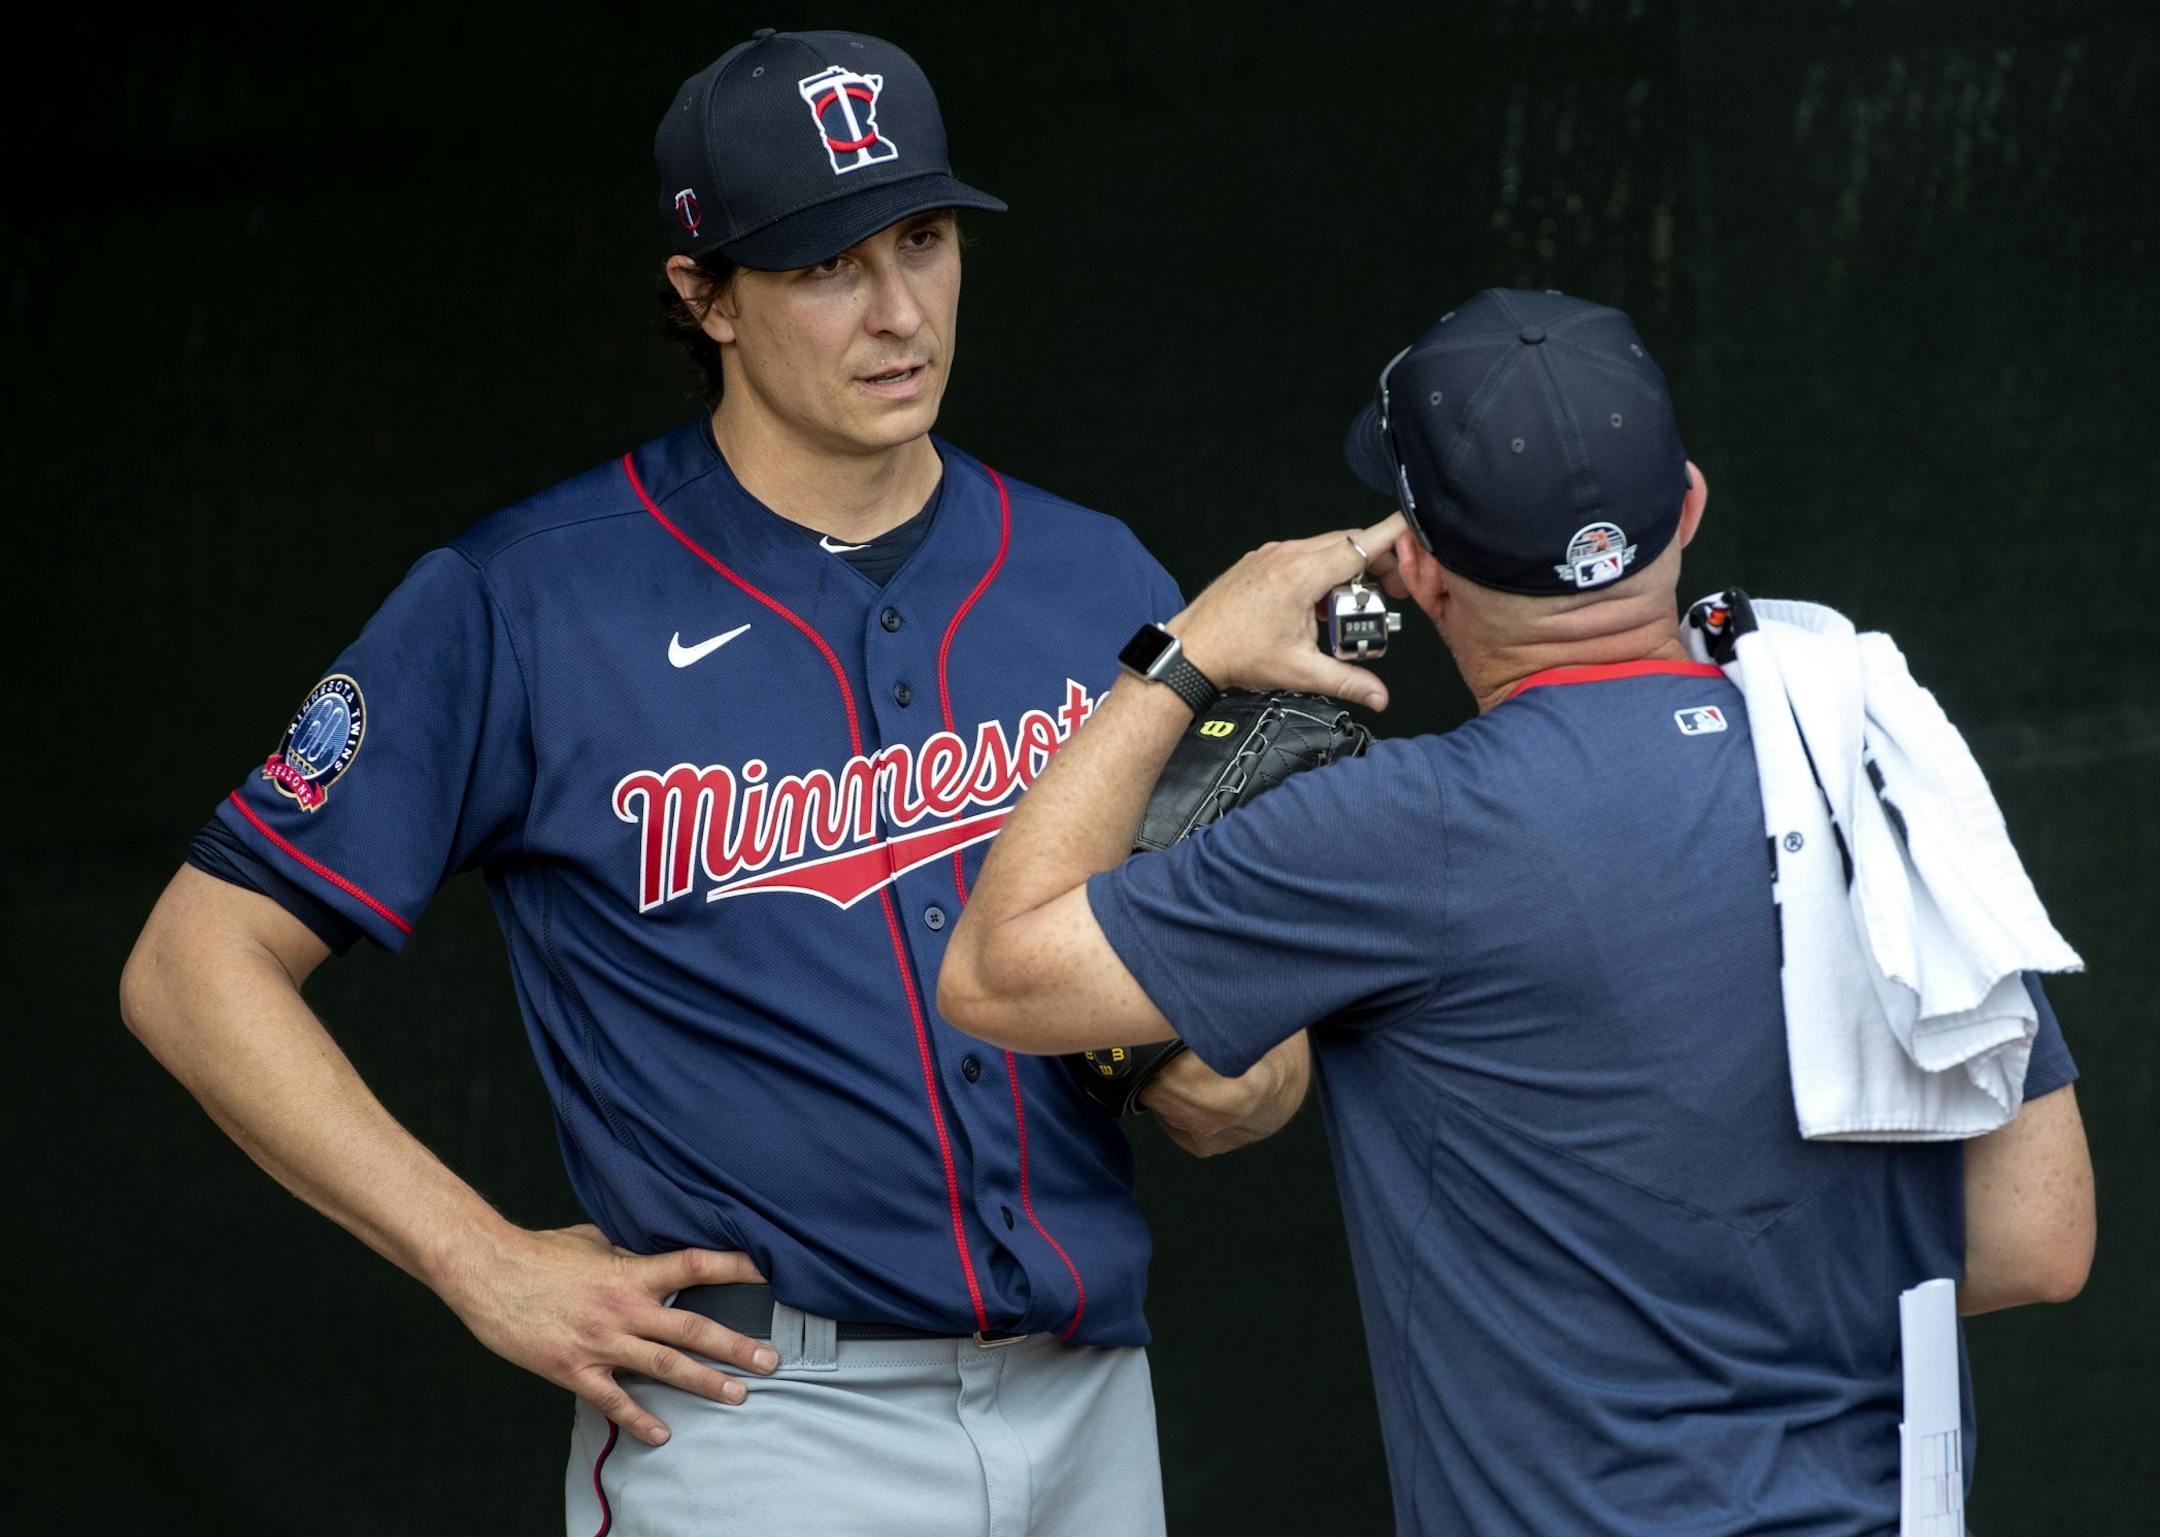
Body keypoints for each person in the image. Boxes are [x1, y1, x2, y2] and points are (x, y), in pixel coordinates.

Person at [119, 28, 1309, 1537]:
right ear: (705, 295)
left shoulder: (1096, 579)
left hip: (1087, 1402)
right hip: (767, 1424)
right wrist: (472, 1253)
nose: (897, 312)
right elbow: (192, 961)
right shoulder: (529, 601)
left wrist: (1242, 1065)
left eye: (925, 242)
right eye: (826, 267)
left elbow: (1229, 1067)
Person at [940, 288, 2097, 1533]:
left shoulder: (1405, 830)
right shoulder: (1857, 746)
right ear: (1691, 504)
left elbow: (998, 973)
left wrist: (1188, 652)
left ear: (1421, 571)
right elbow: (2040, 1240)